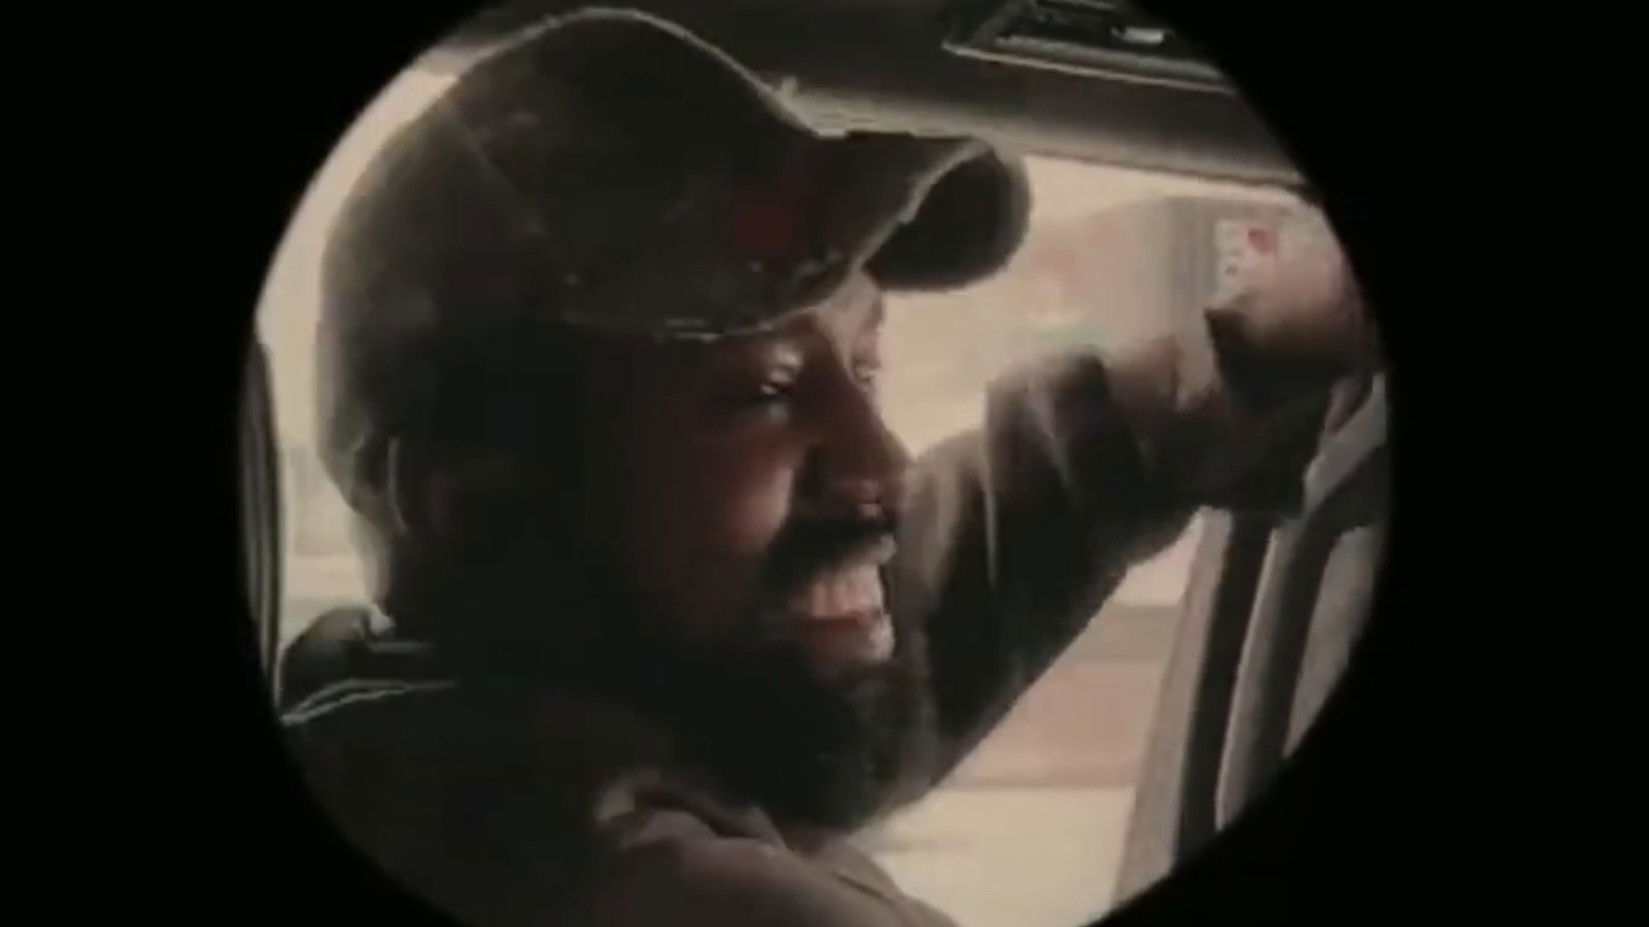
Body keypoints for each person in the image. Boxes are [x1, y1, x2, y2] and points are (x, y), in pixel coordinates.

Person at [281, 9, 1379, 927]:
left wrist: (1262, 343)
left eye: (863, 365)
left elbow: (949, 584)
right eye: (762, 391)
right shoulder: (622, 880)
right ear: (477, 504)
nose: (882, 460)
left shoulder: (445, 721)